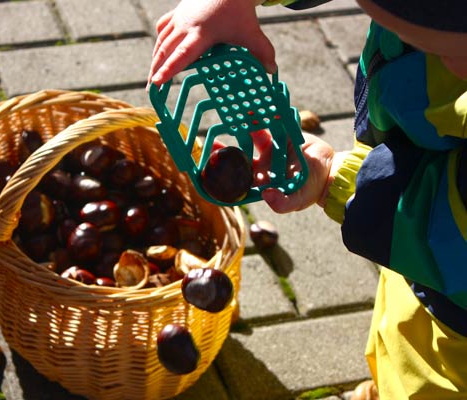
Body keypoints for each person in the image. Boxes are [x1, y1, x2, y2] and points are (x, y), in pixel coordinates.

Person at [147, 0, 467, 399]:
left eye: (446, 49)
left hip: (456, 335)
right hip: (417, 282)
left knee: (426, 380)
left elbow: (447, 230)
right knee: (398, 331)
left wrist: (337, 179)